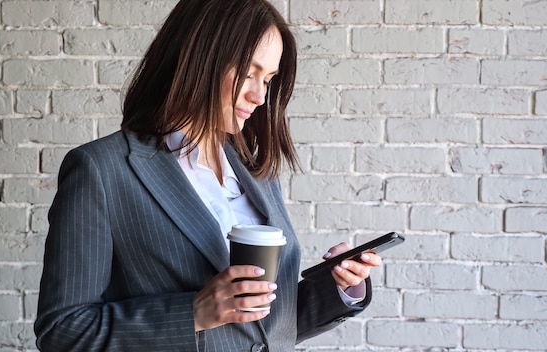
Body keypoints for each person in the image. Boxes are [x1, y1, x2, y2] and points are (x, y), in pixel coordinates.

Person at [34, 0, 382, 351]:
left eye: (268, 79)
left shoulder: (253, 170)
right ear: (201, 58)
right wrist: (194, 313)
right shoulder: (102, 170)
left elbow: (265, 329)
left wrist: (340, 286)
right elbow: (62, 331)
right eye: (248, 73)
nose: (259, 96)